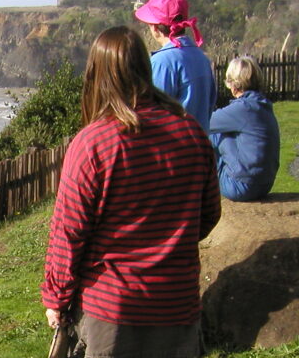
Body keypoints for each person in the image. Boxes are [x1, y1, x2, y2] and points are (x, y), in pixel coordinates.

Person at [41, 26, 221, 357]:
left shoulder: (94, 144)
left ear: (95, 74)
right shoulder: (192, 133)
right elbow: (208, 214)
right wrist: (168, 246)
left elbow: (69, 233)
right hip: (177, 305)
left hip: (113, 310)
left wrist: (57, 298)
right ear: (144, 66)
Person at [135, 0, 217, 130]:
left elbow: (153, 116)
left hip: (174, 148)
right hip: (201, 145)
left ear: (154, 27)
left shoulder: (162, 62)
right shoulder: (201, 58)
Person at [209, 55, 280, 201]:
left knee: (214, 135)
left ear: (233, 84)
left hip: (240, 187)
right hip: (265, 184)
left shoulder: (242, 108)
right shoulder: (262, 105)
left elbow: (204, 121)